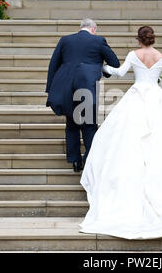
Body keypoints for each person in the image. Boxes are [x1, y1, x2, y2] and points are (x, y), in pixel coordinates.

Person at [79, 26, 162, 240]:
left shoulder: (133, 54)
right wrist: (155, 81)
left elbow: (120, 72)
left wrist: (104, 68)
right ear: (152, 39)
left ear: (139, 40)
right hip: (156, 97)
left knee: (126, 140)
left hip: (137, 95)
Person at [45, 18, 120, 172]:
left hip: (66, 86)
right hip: (86, 87)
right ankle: (90, 159)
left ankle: (75, 161)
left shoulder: (65, 40)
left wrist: (50, 88)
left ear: (81, 28)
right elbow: (115, 63)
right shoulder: (99, 41)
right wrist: (99, 71)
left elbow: (53, 64)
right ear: (93, 29)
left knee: (71, 124)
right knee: (89, 124)